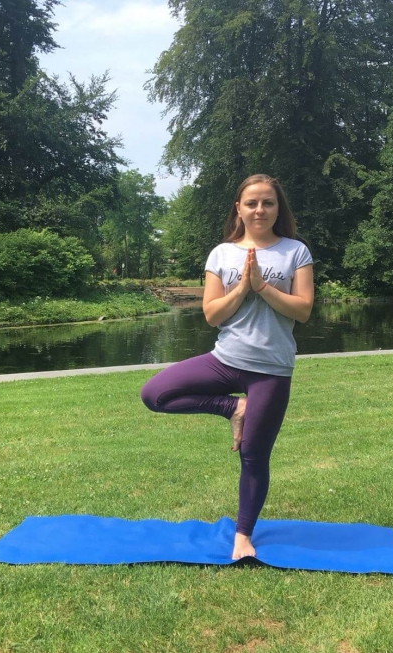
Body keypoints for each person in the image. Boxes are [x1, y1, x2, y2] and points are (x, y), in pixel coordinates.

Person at [140, 174, 314, 560]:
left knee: (253, 455)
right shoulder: (221, 253)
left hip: (271, 369)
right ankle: (233, 407)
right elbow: (211, 315)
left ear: (277, 209)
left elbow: (303, 310)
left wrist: (264, 286)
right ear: (239, 208)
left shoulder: (295, 252)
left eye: (268, 203)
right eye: (251, 203)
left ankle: (242, 537)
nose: (259, 210)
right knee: (154, 393)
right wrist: (242, 287)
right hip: (225, 361)